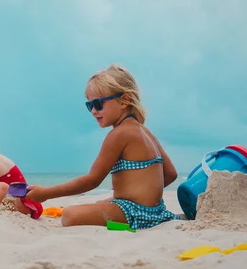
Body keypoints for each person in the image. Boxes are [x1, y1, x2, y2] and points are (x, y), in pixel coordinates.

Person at [25, 64, 180, 230]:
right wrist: (144, 194)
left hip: (134, 214)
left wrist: (46, 193)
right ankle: (125, 218)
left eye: (98, 104)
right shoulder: (145, 131)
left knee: (69, 215)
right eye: (89, 105)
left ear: (125, 100)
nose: (93, 111)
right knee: (101, 203)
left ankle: (125, 227)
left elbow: (92, 180)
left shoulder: (119, 134)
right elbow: (171, 174)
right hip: (156, 211)